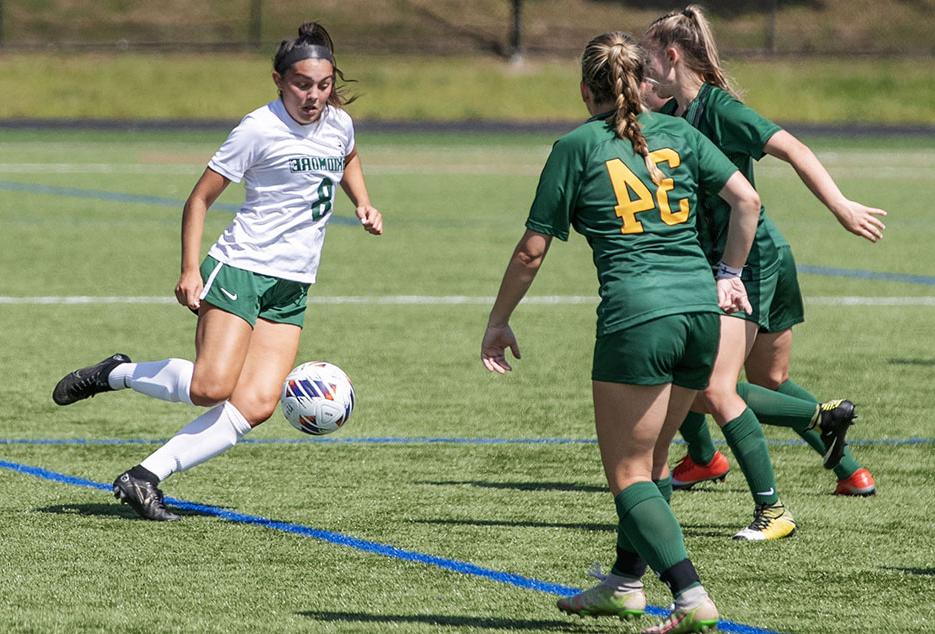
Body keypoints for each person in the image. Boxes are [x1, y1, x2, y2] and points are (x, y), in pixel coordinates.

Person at [481, 31, 761, 634]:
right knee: (654, 462)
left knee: (629, 473)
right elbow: (746, 200)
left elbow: (532, 251)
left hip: (638, 319)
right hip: (700, 315)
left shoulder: (577, 145)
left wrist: (498, 320)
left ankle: (690, 597)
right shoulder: (682, 133)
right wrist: (729, 274)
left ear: (587, 89)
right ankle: (624, 582)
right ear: (641, 83)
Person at [51, 22, 383, 521]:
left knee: (256, 404)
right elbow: (199, 200)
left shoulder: (339, 124)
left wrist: (363, 202)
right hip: (240, 268)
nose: (313, 95)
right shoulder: (258, 129)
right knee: (210, 387)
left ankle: (143, 478)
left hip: (293, 284)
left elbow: (349, 157)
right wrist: (189, 270)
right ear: (277, 79)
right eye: (301, 83)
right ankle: (113, 373)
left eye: (323, 84)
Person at [642, 5, 886, 540]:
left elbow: (792, 148)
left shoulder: (721, 109)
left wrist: (841, 206)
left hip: (749, 260)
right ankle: (849, 471)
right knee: (768, 381)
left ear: (672, 56)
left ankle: (781, 479)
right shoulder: (681, 113)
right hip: (759, 254)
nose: (644, 70)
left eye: (648, 59)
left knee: (708, 384)